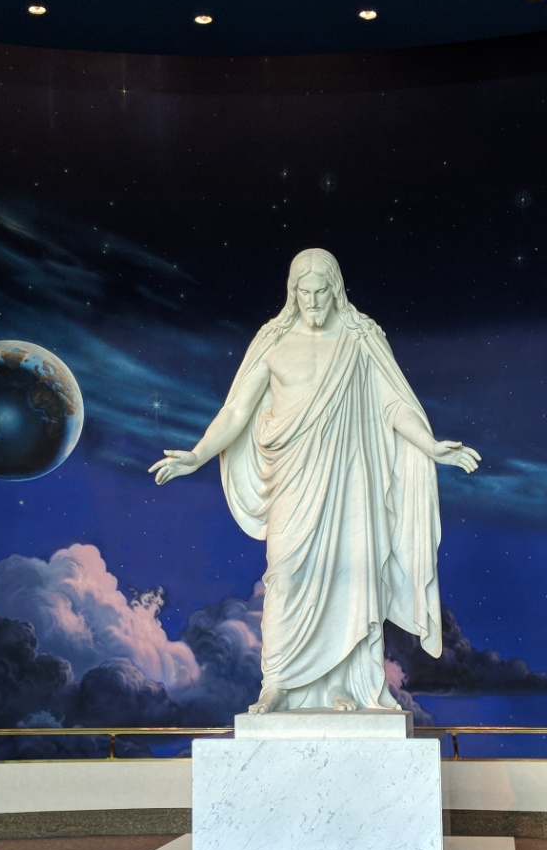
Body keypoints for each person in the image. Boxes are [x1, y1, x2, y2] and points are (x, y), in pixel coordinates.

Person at [151, 248, 479, 712]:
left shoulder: (360, 340)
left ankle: (348, 684)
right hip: (293, 480)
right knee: (284, 576)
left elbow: (393, 404)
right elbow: (237, 410)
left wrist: (430, 445)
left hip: (350, 481)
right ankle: (278, 684)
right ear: (292, 292)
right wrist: (198, 454)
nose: (312, 301)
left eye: (321, 291)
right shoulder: (273, 342)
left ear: (336, 289)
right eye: (303, 292)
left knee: (353, 577)